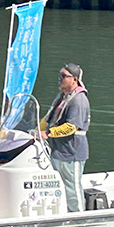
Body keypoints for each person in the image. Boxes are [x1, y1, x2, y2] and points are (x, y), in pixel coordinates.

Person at [41, 62, 90, 212]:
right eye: (59, 76)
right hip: (57, 151)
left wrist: (48, 134)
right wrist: (36, 130)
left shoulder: (78, 100)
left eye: (63, 76)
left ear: (74, 79)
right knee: (59, 186)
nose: (59, 79)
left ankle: (79, 217)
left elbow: (71, 127)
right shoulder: (62, 97)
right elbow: (48, 119)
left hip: (71, 153)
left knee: (72, 188)